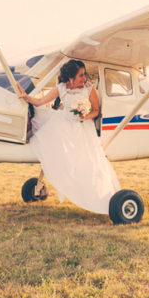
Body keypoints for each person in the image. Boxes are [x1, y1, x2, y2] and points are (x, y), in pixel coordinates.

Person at [17, 60, 120, 215]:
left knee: (90, 162)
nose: (84, 78)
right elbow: (40, 102)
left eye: (84, 74)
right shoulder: (61, 88)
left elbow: (96, 110)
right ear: (71, 77)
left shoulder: (90, 89)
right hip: (63, 125)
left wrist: (84, 116)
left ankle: (100, 197)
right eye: (81, 75)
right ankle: (59, 183)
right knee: (62, 158)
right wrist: (26, 97)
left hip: (84, 129)